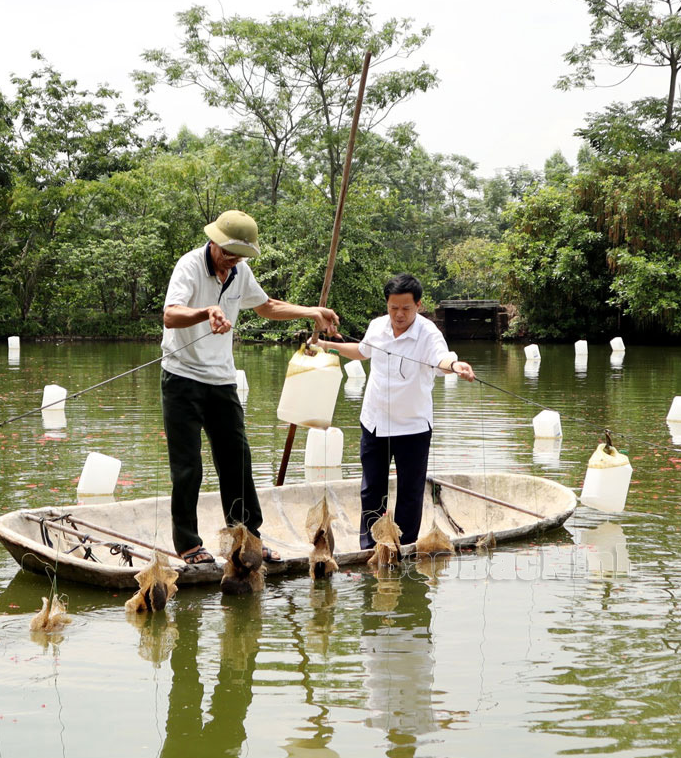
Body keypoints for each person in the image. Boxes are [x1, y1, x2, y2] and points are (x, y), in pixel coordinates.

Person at [161, 209, 339, 564]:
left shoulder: (240, 272)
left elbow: (266, 306)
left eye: (239, 256)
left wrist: (311, 312)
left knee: (237, 461)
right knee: (187, 467)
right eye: (227, 254)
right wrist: (206, 311)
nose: (232, 262)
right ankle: (188, 544)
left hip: (221, 380)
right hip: (181, 378)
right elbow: (170, 314)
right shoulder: (190, 265)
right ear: (213, 242)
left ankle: (247, 539)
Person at [315, 274, 474, 549]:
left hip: (412, 427)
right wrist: (328, 346)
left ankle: (404, 546)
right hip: (375, 423)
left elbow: (442, 359)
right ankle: (370, 546)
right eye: (393, 308)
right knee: (371, 489)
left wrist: (456, 366)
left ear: (419, 305)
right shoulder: (377, 327)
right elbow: (362, 351)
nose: (399, 315)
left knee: (410, 493)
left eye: (406, 308)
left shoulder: (428, 334)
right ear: (387, 304)